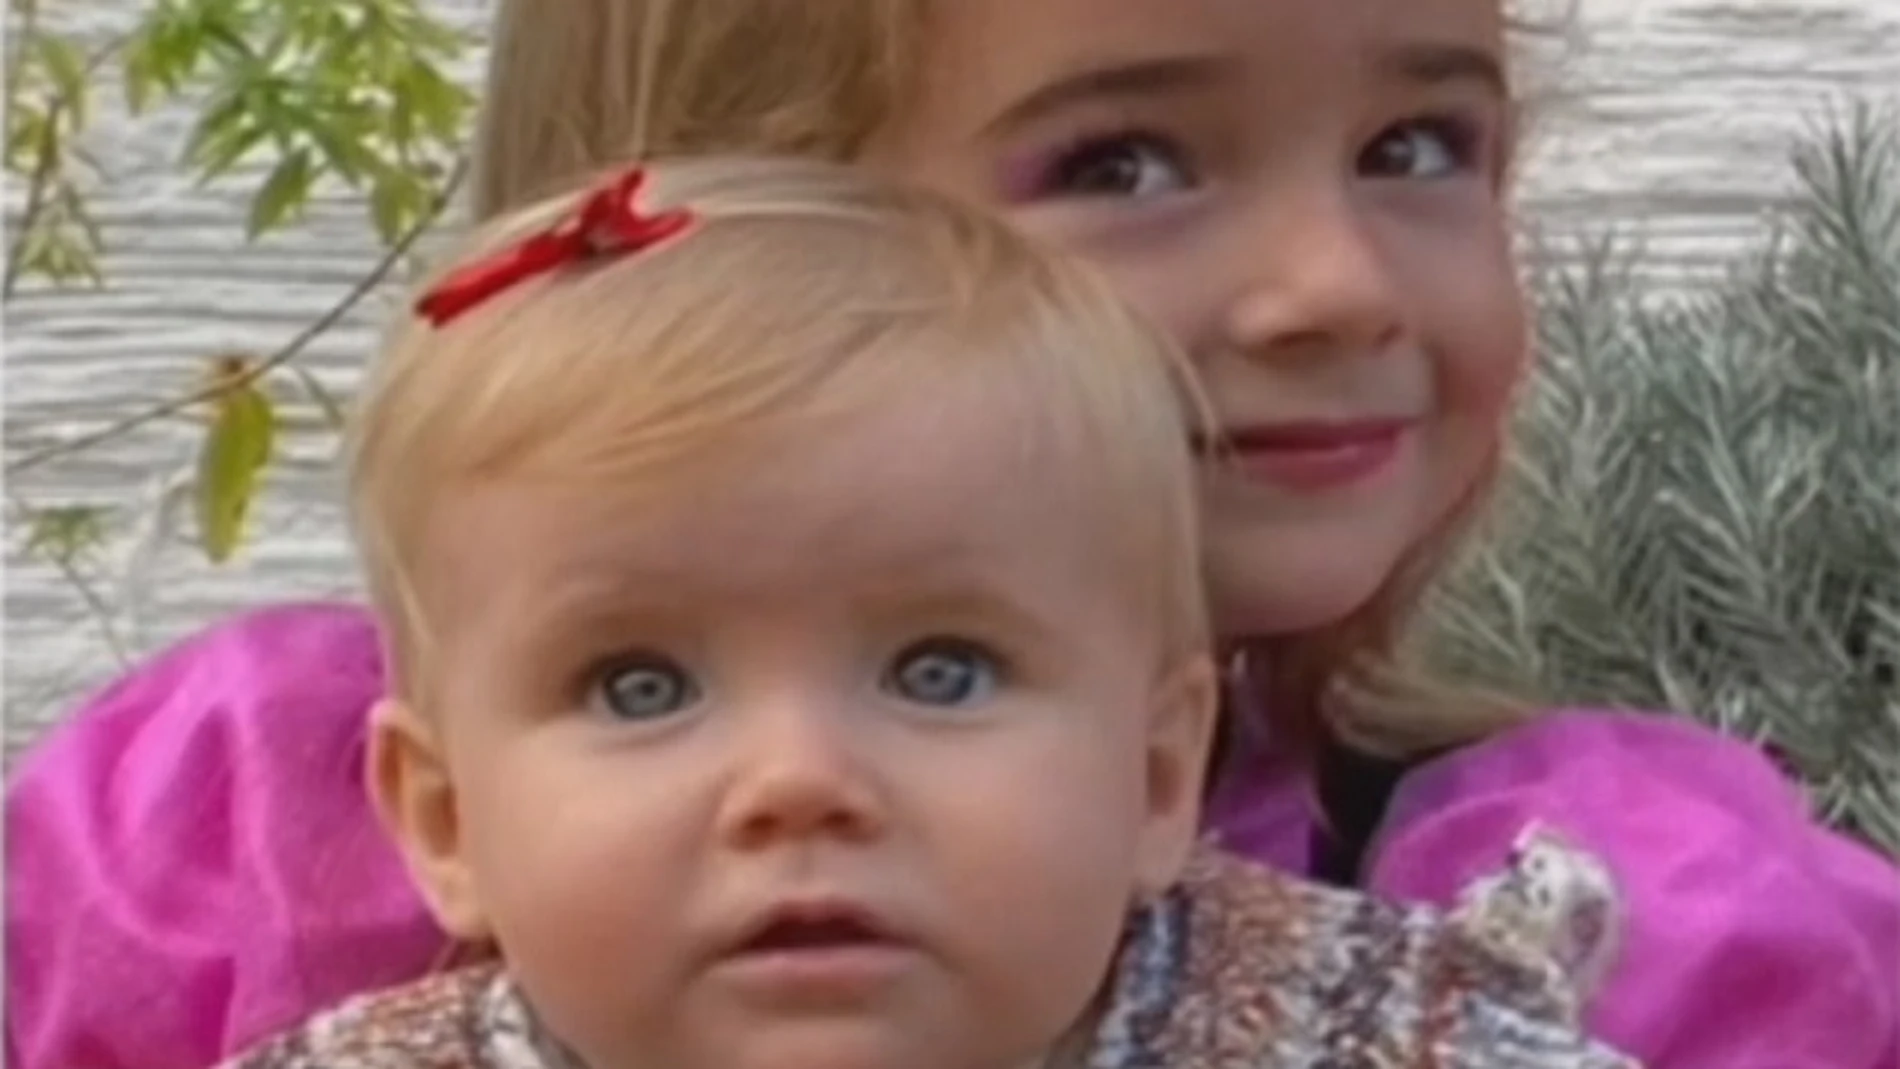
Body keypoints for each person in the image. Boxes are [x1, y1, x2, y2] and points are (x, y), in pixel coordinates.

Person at [6, 0, 1895, 1066]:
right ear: (741, 212)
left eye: (1419, 144)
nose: (1331, 282)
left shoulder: (1623, 926)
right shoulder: (233, 847)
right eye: (1124, 164)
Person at [212, 152, 1632, 1069]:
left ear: (1153, 775)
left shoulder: (1379, 1039)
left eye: (941, 672)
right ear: (447, 822)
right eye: (640, 687)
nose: (799, 784)